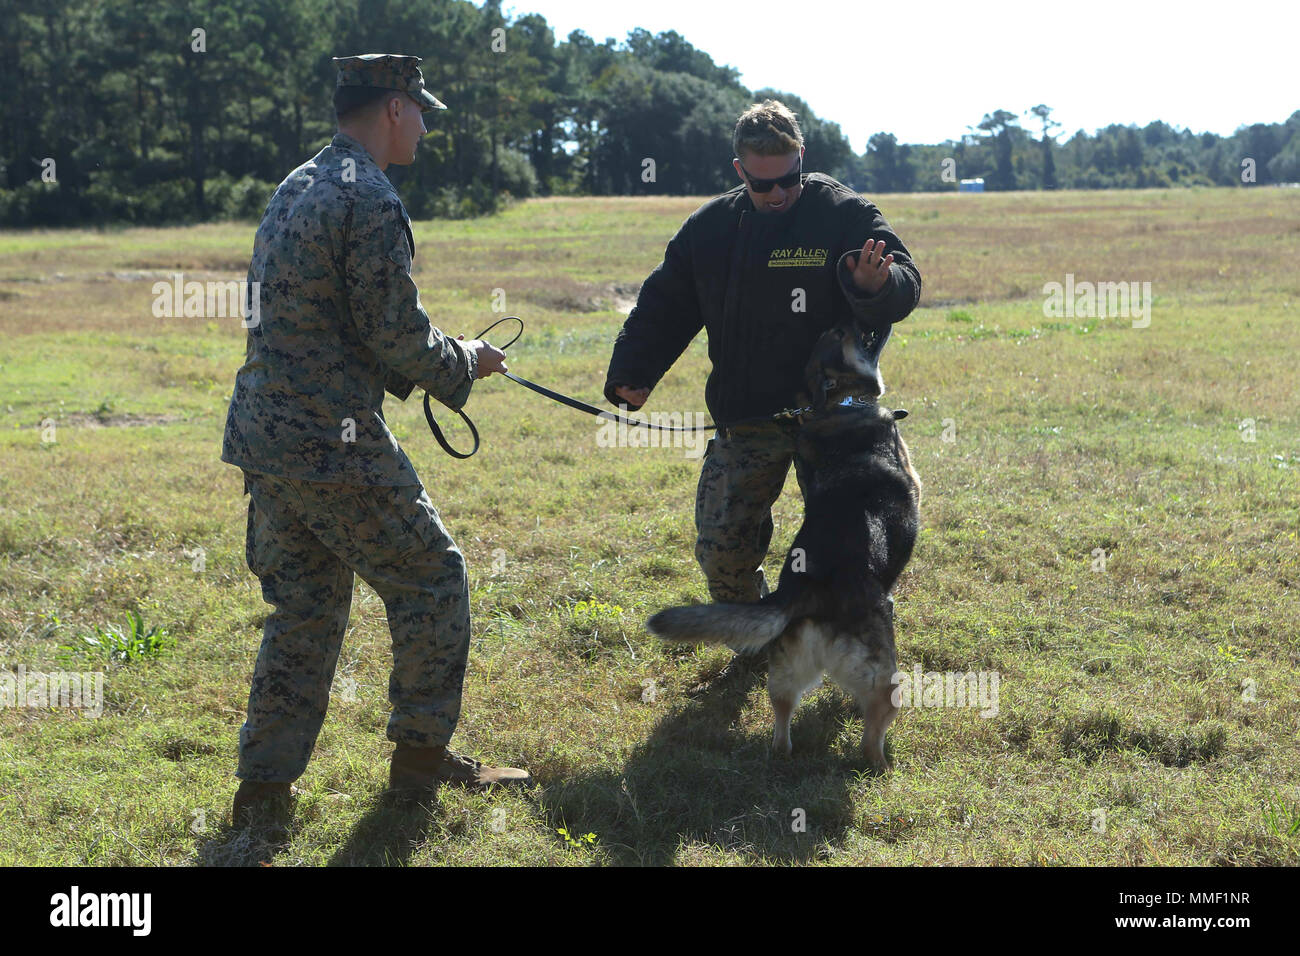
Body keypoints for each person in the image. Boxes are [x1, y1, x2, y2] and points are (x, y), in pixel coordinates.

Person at [222, 53, 529, 826]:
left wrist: (439, 350)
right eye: (419, 109)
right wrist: (467, 362)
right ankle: (419, 766)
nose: (425, 126)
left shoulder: (301, 181)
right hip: (331, 442)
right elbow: (395, 331)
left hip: (266, 433)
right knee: (434, 581)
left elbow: (333, 316)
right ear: (393, 107)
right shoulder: (373, 198)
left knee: (305, 610)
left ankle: (263, 793)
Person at [604, 99, 922, 689]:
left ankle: (863, 648)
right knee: (722, 543)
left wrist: (879, 287)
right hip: (749, 413)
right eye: (762, 183)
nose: (776, 194)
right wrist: (634, 370)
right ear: (738, 170)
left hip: (837, 423)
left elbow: (904, 282)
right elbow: (665, 305)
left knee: (856, 548)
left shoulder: (844, 214)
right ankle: (759, 646)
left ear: (802, 159)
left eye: (788, 179)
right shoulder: (711, 229)